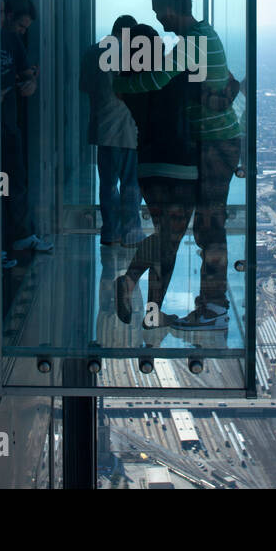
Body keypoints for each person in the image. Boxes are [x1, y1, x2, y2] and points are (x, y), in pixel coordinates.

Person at [113, 0, 242, 331]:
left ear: (169, 8)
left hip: (215, 145)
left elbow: (158, 80)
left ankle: (213, 309)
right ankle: (208, 306)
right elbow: (227, 85)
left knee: (209, 228)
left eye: (159, 11)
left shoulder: (194, 41)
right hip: (214, 145)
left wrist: (120, 85)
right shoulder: (200, 36)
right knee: (202, 228)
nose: (159, 19)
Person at [113, 23, 197, 328]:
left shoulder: (129, 84)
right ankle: (145, 302)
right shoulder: (174, 77)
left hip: (148, 167)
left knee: (165, 236)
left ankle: (142, 298)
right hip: (181, 167)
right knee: (169, 243)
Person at [79, 15, 140, 246]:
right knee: (131, 184)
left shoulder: (92, 52)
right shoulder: (132, 54)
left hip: (102, 128)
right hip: (128, 129)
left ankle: (109, 232)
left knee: (107, 184)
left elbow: (84, 87)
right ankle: (130, 232)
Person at [1, 0, 52, 264]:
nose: (22, 31)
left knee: (14, 183)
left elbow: (25, 75)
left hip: (8, 125)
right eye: (20, 25)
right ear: (7, 14)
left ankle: (17, 236)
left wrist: (31, 81)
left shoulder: (12, 42)